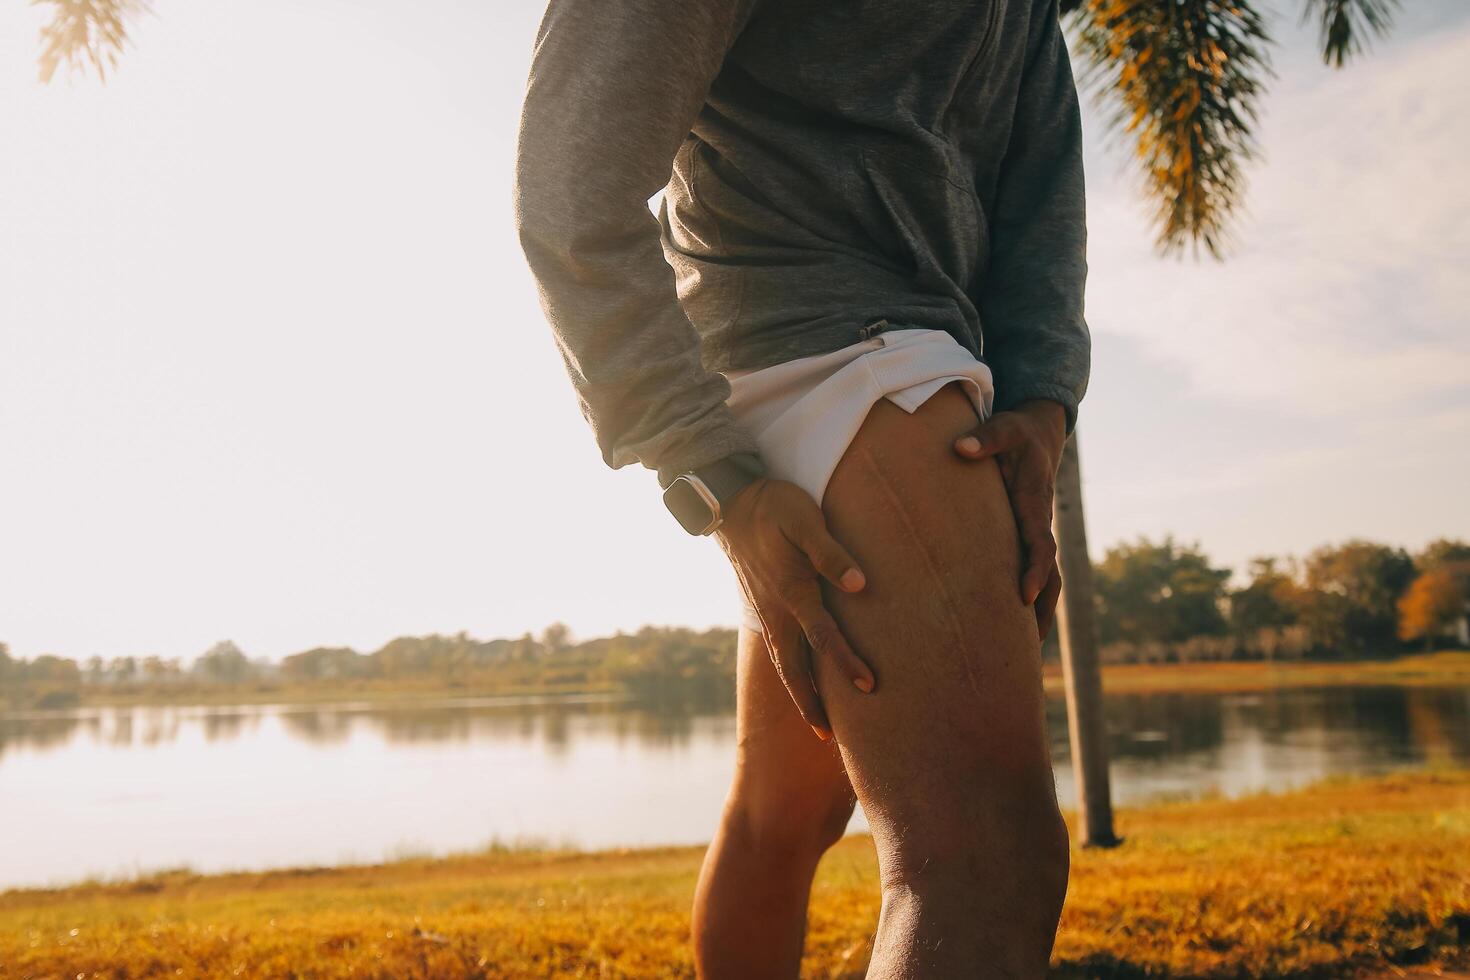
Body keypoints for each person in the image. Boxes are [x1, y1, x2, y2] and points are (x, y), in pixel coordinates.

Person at [513, 0, 1090, 974]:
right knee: (987, 859)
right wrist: (709, 468)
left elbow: (1042, 196)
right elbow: (573, 190)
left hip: (880, 382)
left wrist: (1043, 400)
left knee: (786, 817)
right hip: (850, 372)